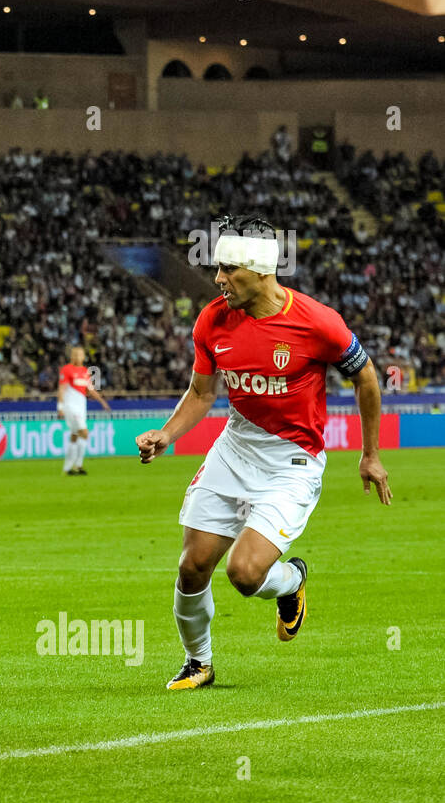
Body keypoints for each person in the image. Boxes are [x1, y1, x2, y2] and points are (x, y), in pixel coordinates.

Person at [136, 216, 392, 691]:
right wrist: (166, 434)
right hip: (235, 448)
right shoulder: (213, 319)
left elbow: (367, 378)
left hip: (292, 461)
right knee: (192, 566)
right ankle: (199, 663)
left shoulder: (318, 322)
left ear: (260, 272)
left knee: (245, 572)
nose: (218, 279)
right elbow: (200, 392)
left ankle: (291, 582)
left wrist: (370, 454)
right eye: (218, 269)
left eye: (229, 269)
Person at [58, 346, 110, 475]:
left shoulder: (85, 371)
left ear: (83, 356)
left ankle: (68, 468)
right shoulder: (67, 369)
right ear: (71, 356)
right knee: (84, 433)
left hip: (81, 407)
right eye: (75, 354)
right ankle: (79, 465)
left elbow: (90, 390)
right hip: (70, 407)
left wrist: (102, 402)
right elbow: (62, 389)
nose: (77, 357)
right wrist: (60, 407)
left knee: (75, 435)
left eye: (80, 354)